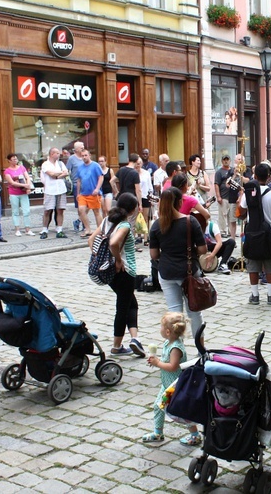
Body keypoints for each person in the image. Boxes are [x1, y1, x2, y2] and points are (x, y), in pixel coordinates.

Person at [88, 192, 144, 357]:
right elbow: (113, 243)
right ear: (132, 210)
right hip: (124, 271)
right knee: (123, 307)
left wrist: (100, 258)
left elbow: (91, 240)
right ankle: (117, 346)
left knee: (131, 304)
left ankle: (135, 339)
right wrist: (117, 259)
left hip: (110, 272)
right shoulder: (124, 225)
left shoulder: (107, 220)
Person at [149, 187, 208, 337]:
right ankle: (200, 350)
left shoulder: (157, 225)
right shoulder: (190, 221)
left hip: (167, 272)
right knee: (194, 312)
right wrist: (189, 250)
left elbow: (154, 254)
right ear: (180, 202)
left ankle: (176, 351)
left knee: (174, 314)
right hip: (188, 272)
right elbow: (203, 249)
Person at [143, 312, 201, 445]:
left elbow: (173, 366)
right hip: (166, 384)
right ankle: (158, 433)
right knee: (158, 406)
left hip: (175, 386)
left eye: (161, 327)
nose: (160, 330)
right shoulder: (168, 343)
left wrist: (158, 363)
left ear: (168, 331)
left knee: (181, 411)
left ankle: (195, 435)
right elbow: (166, 361)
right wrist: (156, 360)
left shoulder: (176, 348)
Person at [239, 163, 271, 305]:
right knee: (270, 263)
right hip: (269, 233)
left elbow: (241, 211)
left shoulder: (248, 194)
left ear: (254, 176)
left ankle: (254, 296)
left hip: (252, 232)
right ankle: (270, 295)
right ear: (269, 177)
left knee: (253, 264)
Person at [39, 147, 69, 239]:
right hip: (50, 190)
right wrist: (60, 173)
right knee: (48, 210)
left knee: (60, 210)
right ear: (52, 154)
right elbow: (51, 174)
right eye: (56, 153)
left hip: (61, 189)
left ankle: (59, 229)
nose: (59, 154)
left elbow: (66, 173)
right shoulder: (45, 164)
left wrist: (57, 174)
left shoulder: (60, 163)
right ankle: (44, 229)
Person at [3, 154, 34, 236]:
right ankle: (17, 229)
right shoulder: (7, 171)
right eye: (13, 159)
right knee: (15, 211)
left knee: (26, 211)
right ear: (9, 160)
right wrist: (24, 186)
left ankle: (28, 229)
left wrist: (28, 186)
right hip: (14, 193)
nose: (15, 160)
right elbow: (12, 183)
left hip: (23, 192)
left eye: (16, 159)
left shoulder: (21, 167)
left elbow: (27, 177)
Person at [76, 149, 104, 237]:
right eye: (82, 156)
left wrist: (97, 189)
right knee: (81, 210)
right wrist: (78, 193)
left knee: (96, 212)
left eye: (85, 155)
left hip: (93, 193)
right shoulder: (80, 167)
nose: (84, 157)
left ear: (89, 155)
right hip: (83, 193)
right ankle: (88, 229)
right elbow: (79, 181)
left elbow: (101, 177)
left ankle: (100, 230)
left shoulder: (95, 165)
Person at [214, 155, 233, 236]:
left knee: (231, 215)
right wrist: (218, 196)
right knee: (222, 215)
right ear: (222, 161)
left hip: (232, 197)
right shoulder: (219, 172)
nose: (226, 161)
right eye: (224, 160)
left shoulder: (233, 171)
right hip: (223, 196)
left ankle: (231, 231)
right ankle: (222, 231)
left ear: (230, 161)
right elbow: (216, 184)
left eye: (227, 159)